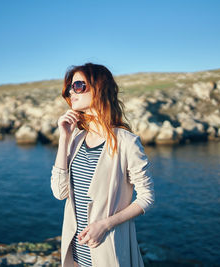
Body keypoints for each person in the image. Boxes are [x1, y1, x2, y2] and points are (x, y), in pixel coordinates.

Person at [50, 63, 155, 267]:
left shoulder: (126, 141)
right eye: (70, 88)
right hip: (75, 255)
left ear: (99, 88)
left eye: (79, 86)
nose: (72, 92)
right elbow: (59, 192)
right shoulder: (75, 138)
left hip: (109, 250)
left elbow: (147, 198)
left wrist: (105, 225)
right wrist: (64, 138)